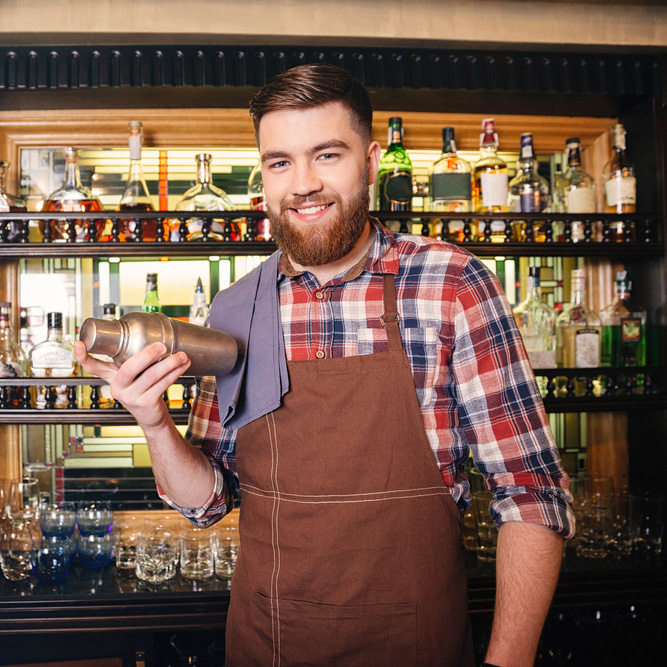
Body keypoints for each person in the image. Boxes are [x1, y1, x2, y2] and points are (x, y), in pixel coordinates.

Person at [74, 63, 574, 667]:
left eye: (327, 155)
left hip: (417, 646)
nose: (302, 183)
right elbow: (206, 502)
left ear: (369, 161)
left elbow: (532, 496)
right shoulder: (237, 307)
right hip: (266, 645)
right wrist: (152, 422)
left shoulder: (454, 286)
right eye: (280, 162)